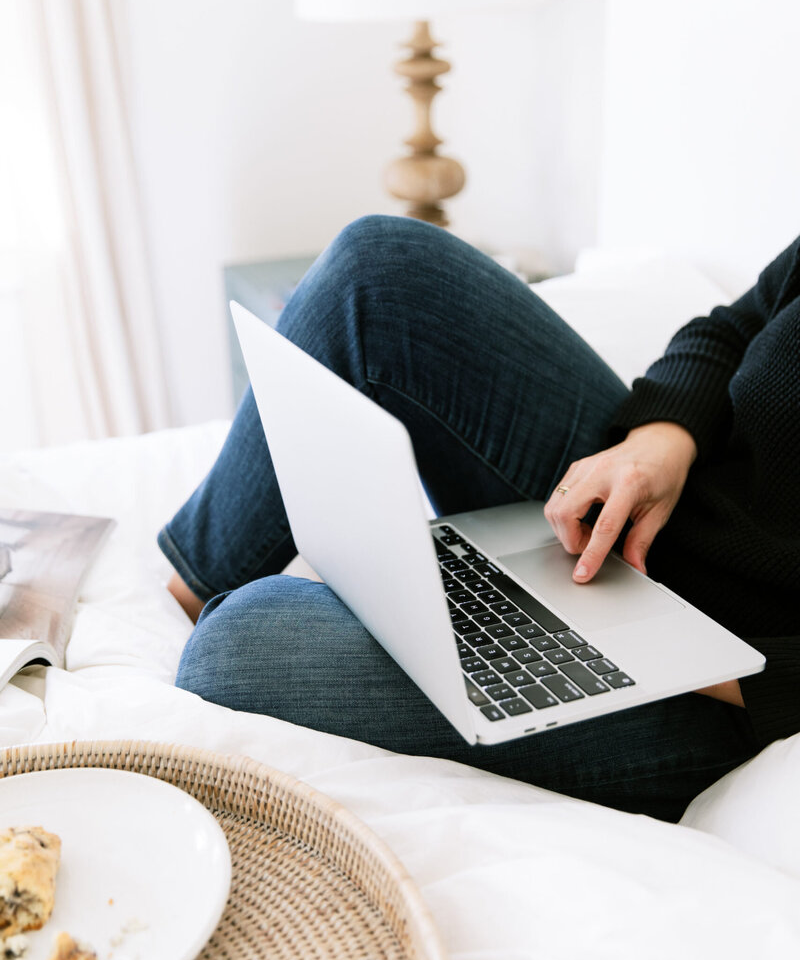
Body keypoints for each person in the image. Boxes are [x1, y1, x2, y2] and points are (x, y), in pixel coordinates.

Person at [158, 215, 800, 823]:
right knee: (377, 267)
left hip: (721, 682)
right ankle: (189, 584)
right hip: (640, 509)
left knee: (237, 644)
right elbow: (730, 329)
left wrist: (677, 651)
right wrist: (661, 440)